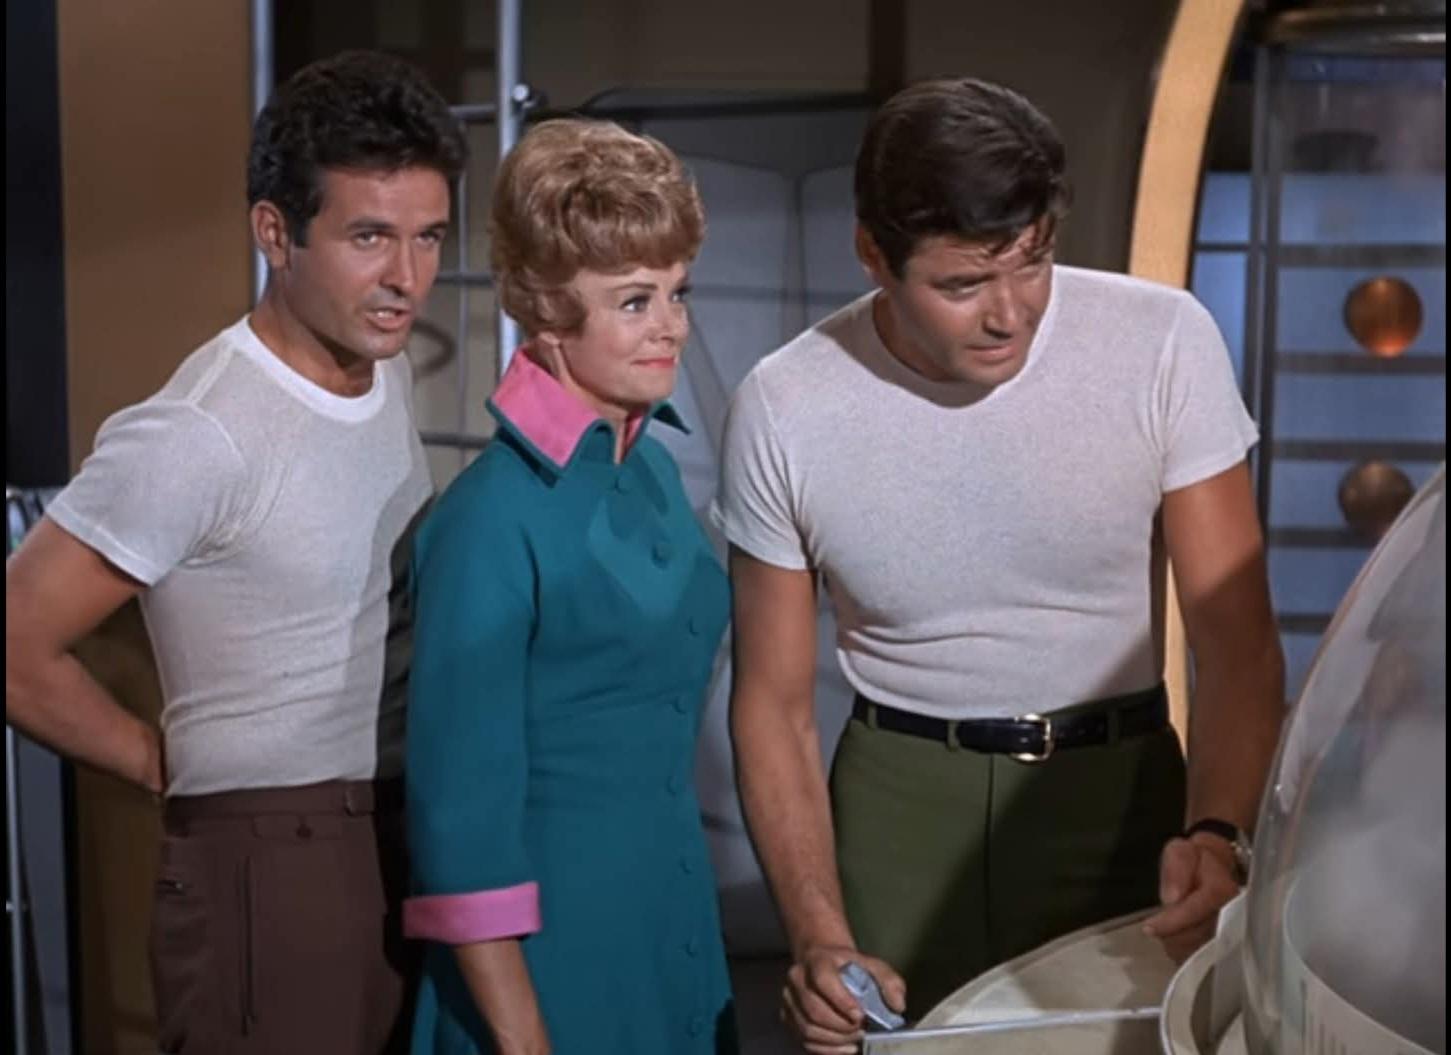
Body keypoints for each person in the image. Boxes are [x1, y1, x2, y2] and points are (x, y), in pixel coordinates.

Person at [715, 77, 1286, 1051]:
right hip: (896, 808)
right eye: (961, 285)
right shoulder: (785, 404)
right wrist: (814, 931)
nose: (1008, 314)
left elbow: (1236, 645)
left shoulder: (1161, 340)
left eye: (1032, 263)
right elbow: (769, 703)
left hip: (1120, 796)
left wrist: (1216, 833)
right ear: (872, 255)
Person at [4, 50, 466, 1054]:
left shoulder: (376, 366)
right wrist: (151, 756)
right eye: (369, 237)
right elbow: (12, 640)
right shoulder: (198, 431)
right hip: (270, 858)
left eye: (427, 237)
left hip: (397, 825)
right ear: (274, 232)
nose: (406, 278)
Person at [402, 119, 737, 1055]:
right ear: (546, 312)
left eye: (676, 291)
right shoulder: (486, 522)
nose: (670, 325)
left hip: (667, 919)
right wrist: (524, 1038)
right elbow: (460, 822)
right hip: (547, 961)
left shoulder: (654, 471)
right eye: (633, 300)